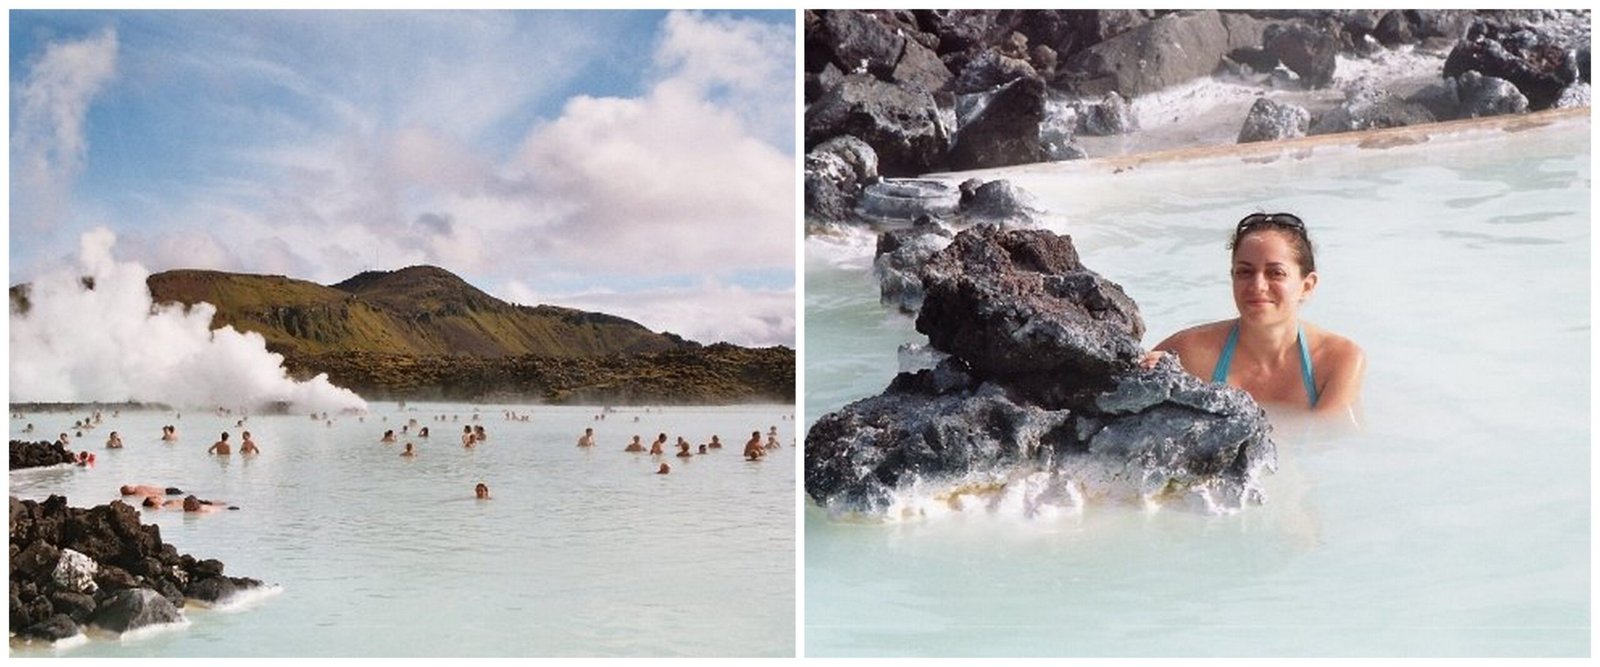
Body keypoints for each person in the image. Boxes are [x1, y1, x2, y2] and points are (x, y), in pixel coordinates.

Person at [1143, 213, 1366, 417]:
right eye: (1245, 272)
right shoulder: (1189, 352)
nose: (1257, 285)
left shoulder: (1338, 359)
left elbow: (1328, 445)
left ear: (1307, 286)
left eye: (1275, 273)